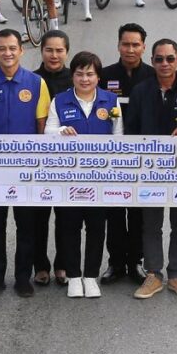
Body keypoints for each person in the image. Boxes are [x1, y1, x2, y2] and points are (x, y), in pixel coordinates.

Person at [0, 29, 51, 298]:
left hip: (26, 169)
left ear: (21, 50)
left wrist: (40, 166)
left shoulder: (36, 83)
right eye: (2, 48)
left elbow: (42, 126)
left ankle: (22, 278)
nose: (7, 53)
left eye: (12, 48)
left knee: (26, 226)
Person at [126, 39, 177, 299]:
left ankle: (176, 274)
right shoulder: (140, 91)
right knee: (151, 224)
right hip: (150, 170)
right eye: (159, 59)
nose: (164, 63)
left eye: (170, 58)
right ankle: (153, 274)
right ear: (152, 62)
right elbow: (130, 129)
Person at [45, 51, 123, 298]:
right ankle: (73, 276)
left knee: (96, 227)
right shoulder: (59, 100)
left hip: (99, 178)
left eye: (90, 74)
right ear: (73, 76)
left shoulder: (111, 101)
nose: (85, 79)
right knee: (69, 227)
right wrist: (61, 132)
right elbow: (47, 132)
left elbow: (118, 136)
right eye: (79, 74)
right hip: (68, 177)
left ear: (98, 77)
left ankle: (90, 276)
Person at [99, 23, 154, 284]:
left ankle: (136, 262)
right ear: (118, 45)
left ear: (143, 47)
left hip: (143, 157)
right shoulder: (105, 75)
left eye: (135, 44)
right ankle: (115, 262)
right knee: (114, 213)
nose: (130, 49)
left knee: (138, 214)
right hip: (112, 158)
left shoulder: (153, 76)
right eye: (125, 44)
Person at [32, 31, 73, 286]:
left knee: (66, 218)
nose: (54, 55)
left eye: (59, 50)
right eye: (49, 50)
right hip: (38, 160)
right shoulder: (32, 80)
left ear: (66, 52)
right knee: (38, 218)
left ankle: (63, 265)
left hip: (69, 161)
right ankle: (40, 265)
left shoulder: (76, 79)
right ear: (42, 51)